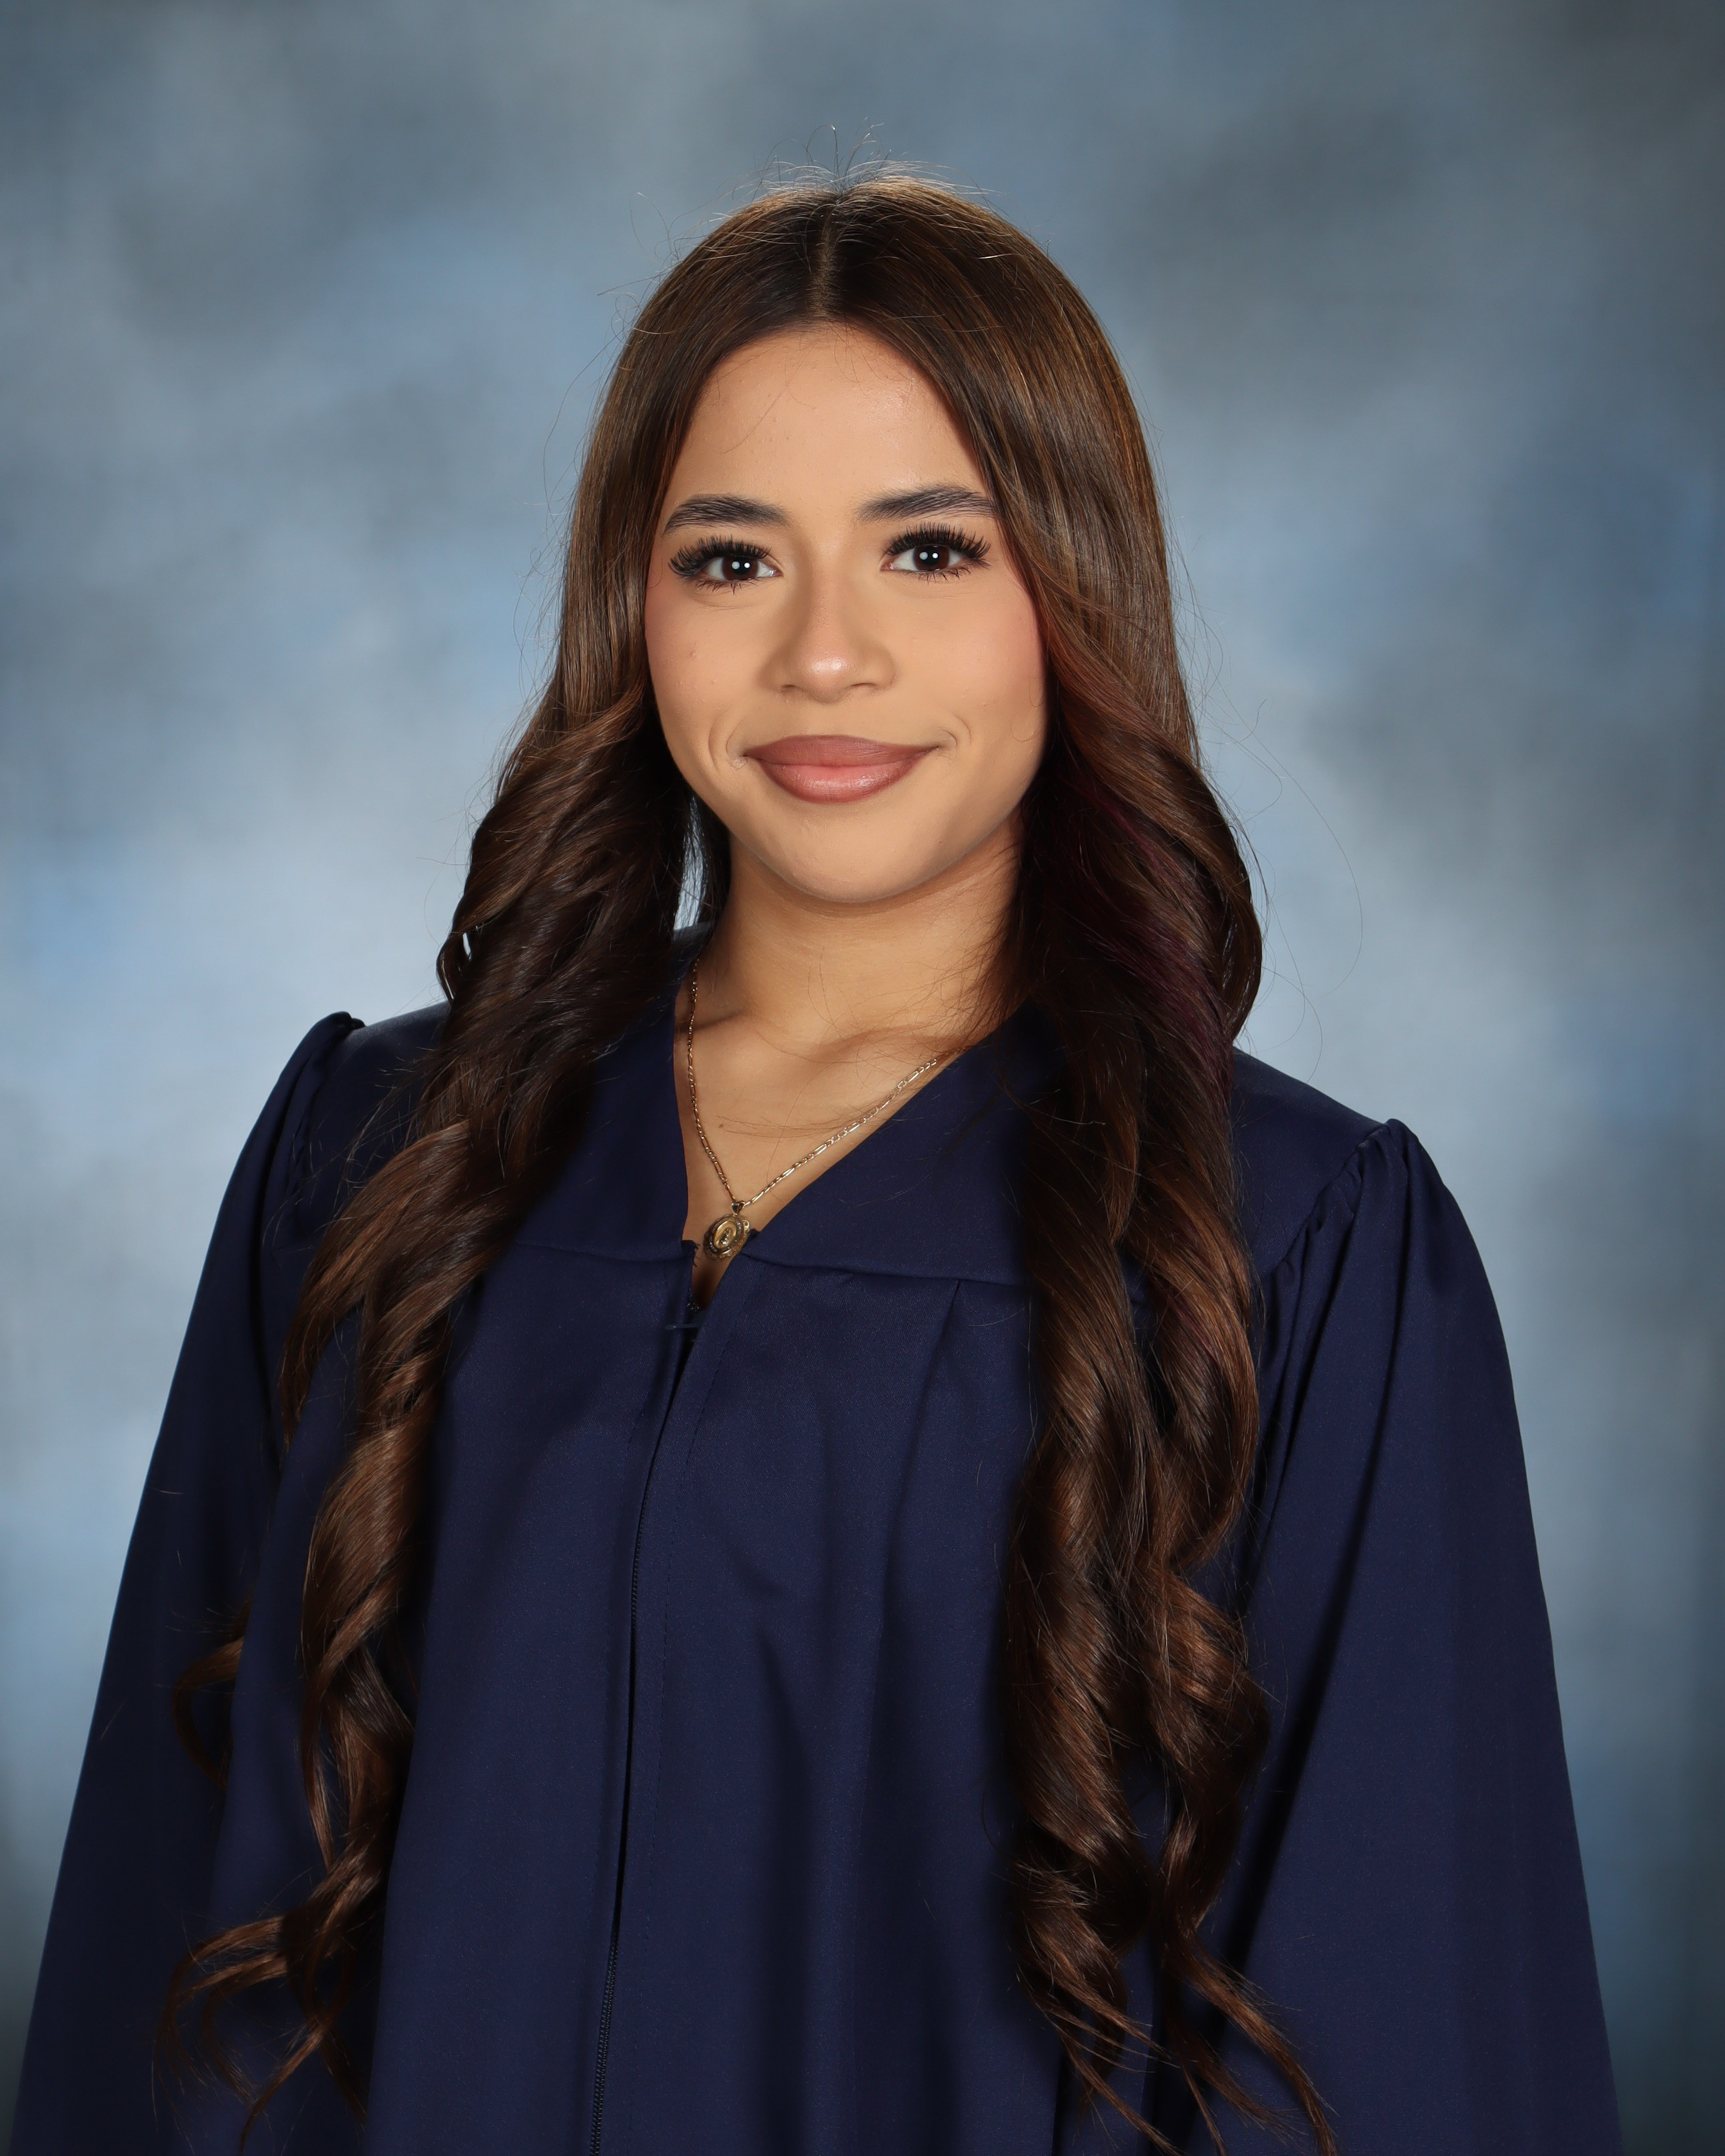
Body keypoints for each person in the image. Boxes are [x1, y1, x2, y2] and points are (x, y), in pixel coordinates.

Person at [12, 174, 1621, 2156]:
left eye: (930, 548)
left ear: (1070, 594)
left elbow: (1403, 2016)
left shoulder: (1290, 1249)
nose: (825, 655)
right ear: (636, 608)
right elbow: (161, 1938)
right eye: (730, 557)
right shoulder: (381, 1163)